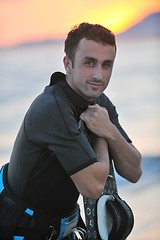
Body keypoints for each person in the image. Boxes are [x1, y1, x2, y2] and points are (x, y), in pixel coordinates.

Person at [0, 22, 142, 240]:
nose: (99, 75)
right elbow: (93, 187)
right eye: (89, 63)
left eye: (106, 65)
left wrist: (109, 130)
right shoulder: (52, 108)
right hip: (21, 227)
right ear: (68, 64)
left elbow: (134, 171)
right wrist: (103, 137)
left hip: (64, 225)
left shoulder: (99, 103)